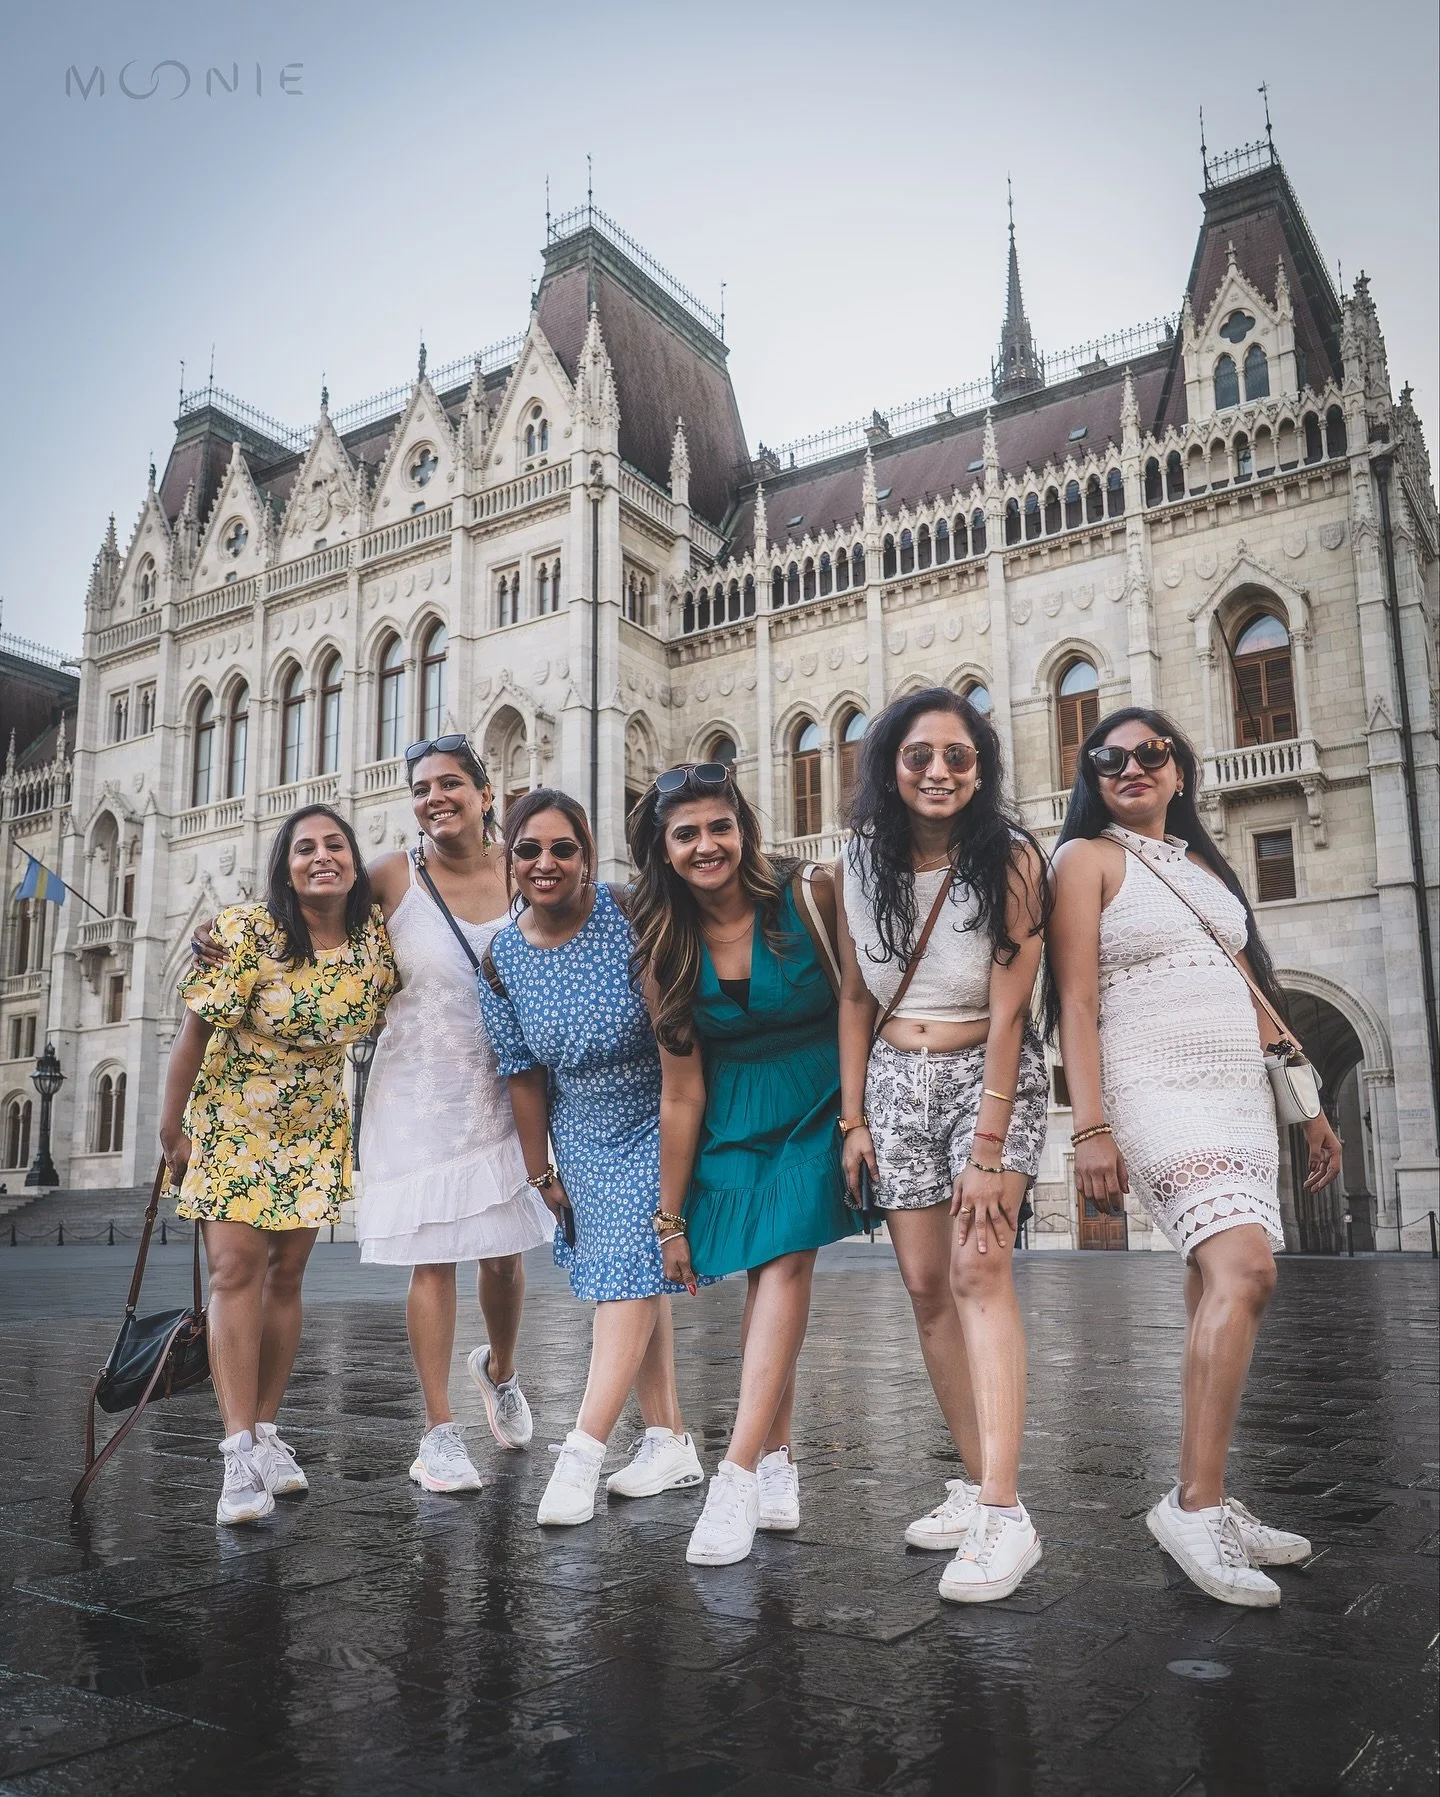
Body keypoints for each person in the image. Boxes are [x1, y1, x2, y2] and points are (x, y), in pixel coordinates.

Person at [1045, 707, 1342, 1607]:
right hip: (1155, 1084)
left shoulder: (1206, 866)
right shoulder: (1085, 859)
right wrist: (1090, 1125)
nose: (1131, 767)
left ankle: (1202, 1488)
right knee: (1246, 1269)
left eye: (1150, 754)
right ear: (1090, 776)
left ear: (1180, 773)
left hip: (1238, 1090)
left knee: (1215, 1286)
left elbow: (1251, 986)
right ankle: (1195, 1507)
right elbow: (1078, 1001)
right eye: (1110, 758)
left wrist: (1311, 1106)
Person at [835, 690, 1049, 1603]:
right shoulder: (857, 860)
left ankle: (1005, 1510)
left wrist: (989, 1148)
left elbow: (1011, 1010)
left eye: (959, 757)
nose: (939, 771)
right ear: (889, 764)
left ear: (981, 767)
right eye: (920, 754)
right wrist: (854, 1120)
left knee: (977, 1276)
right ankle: (974, 1478)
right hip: (893, 1082)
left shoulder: (1010, 858)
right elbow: (854, 996)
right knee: (926, 1289)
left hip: (986, 1080)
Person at [626, 762, 858, 1568]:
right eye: (686, 833)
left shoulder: (809, 896)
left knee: (786, 1264)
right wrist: (670, 1217)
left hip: (817, 1102)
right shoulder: (661, 944)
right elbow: (679, 1090)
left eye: (718, 826)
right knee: (766, 1281)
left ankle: (733, 1472)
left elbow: (859, 1004)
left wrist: (857, 1118)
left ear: (744, 828)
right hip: (731, 1116)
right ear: (663, 847)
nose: (706, 845)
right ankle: (778, 1461)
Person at [160, 806, 395, 1525]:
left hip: (313, 1129)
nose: (321, 856)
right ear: (283, 865)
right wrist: (171, 1131)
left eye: (334, 845)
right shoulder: (245, 933)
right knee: (235, 1273)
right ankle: (235, 1452)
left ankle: (264, 1429)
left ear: (354, 861)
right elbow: (193, 1033)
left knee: (286, 1278)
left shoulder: (373, 945)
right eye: (304, 848)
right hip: (232, 1122)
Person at [476, 789, 705, 1528]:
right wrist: (540, 1168)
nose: (546, 863)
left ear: (587, 854)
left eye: (562, 848)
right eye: (529, 850)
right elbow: (522, 1072)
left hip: (659, 1110)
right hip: (581, 1129)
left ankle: (584, 1448)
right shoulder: (503, 957)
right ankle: (668, 1439)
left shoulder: (631, 913)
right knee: (636, 1276)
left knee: (629, 1272)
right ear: (509, 860)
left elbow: (677, 1034)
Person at [355, 735, 553, 1493]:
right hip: (417, 1092)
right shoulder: (390, 876)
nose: (433, 797)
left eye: (448, 784)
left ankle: (499, 1370)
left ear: (484, 792)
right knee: (432, 1260)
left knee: (503, 1255)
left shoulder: (523, 870)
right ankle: (437, 1431)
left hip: (505, 1090)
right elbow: (306, 910)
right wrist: (230, 937)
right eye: (421, 788)